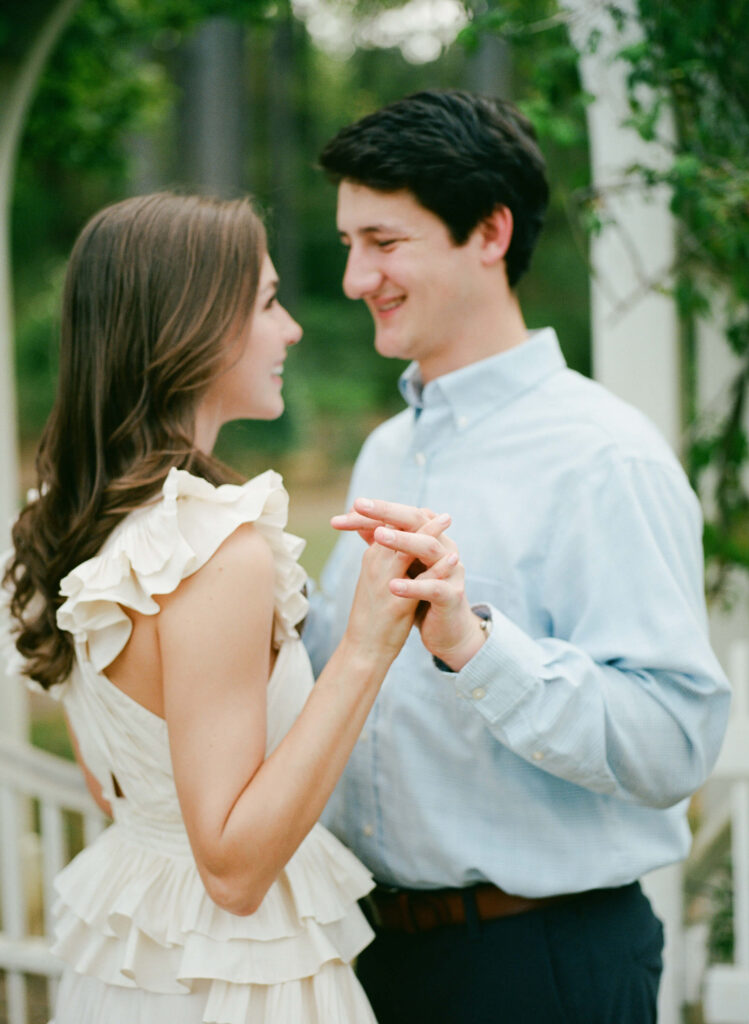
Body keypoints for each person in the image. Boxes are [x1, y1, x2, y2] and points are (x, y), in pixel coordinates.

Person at [303, 89, 732, 1023]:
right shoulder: (383, 452)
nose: (354, 277)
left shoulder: (603, 458)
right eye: (348, 245)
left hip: (539, 969)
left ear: (489, 232)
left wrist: (476, 645)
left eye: (384, 242)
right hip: (369, 960)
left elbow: (675, 743)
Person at [0, 191, 457, 1024]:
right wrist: (365, 646)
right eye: (269, 303)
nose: (292, 330)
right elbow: (235, 871)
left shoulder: (69, 526)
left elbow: (121, 792)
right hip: (233, 984)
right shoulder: (215, 551)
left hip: (135, 963)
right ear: (194, 325)